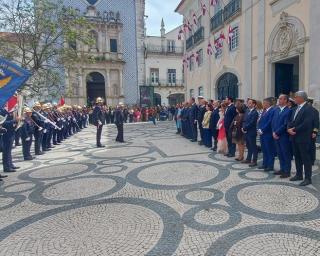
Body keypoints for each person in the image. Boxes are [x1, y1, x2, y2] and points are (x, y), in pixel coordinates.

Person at [287, 91, 314, 186]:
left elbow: (306, 123)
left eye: (296, 97)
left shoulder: (308, 109)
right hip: (294, 136)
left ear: (301, 98)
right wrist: (288, 129)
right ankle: (299, 174)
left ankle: (308, 178)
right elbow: (290, 120)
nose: (294, 99)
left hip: (303, 138)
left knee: (306, 158)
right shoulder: (295, 109)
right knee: (297, 157)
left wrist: (294, 129)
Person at [272, 94, 292, 178]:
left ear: (285, 100)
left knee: (285, 154)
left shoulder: (288, 111)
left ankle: (287, 171)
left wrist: (277, 133)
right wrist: (273, 132)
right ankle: (282, 169)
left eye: (280, 99)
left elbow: (285, 124)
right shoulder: (276, 110)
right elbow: (273, 122)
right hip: (276, 135)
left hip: (283, 136)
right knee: (280, 154)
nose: (278, 100)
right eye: (279, 99)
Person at [257, 97, 276, 172]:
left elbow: (270, 122)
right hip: (262, 133)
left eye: (264, 103)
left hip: (268, 133)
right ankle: (265, 164)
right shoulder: (264, 111)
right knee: (264, 149)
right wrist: (259, 129)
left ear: (268, 103)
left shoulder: (272, 110)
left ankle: (270, 165)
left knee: (269, 150)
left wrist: (262, 130)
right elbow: (260, 121)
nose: (263, 104)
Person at [0, 108, 20, 173]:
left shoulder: (8, 110)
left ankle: (10, 164)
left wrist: (16, 123)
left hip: (11, 132)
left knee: (9, 150)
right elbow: (3, 123)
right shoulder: (2, 111)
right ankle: (6, 167)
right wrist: (14, 120)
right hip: (6, 134)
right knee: (6, 151)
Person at [242, 99, 259, 167]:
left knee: (253, 146)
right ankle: (248, 159)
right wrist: (243, 127)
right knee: (248, 146)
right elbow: (244, 120)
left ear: (254, 104)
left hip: (251, 132)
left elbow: (252, 123)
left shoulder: (255, 113)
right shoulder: (247, 111)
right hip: (246, 131)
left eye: (250, 103)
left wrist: (245, 128)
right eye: (248, 103)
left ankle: (254, 161)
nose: (248, 104)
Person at [307, 98, 319, 166]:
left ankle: (312, 160)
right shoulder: (305, 110)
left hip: (311, 132)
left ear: (310, 103)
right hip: (305, 132)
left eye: (308, 102)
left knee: (311, 146)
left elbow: (316, 123)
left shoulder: (315, 111)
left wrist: (314, 132)